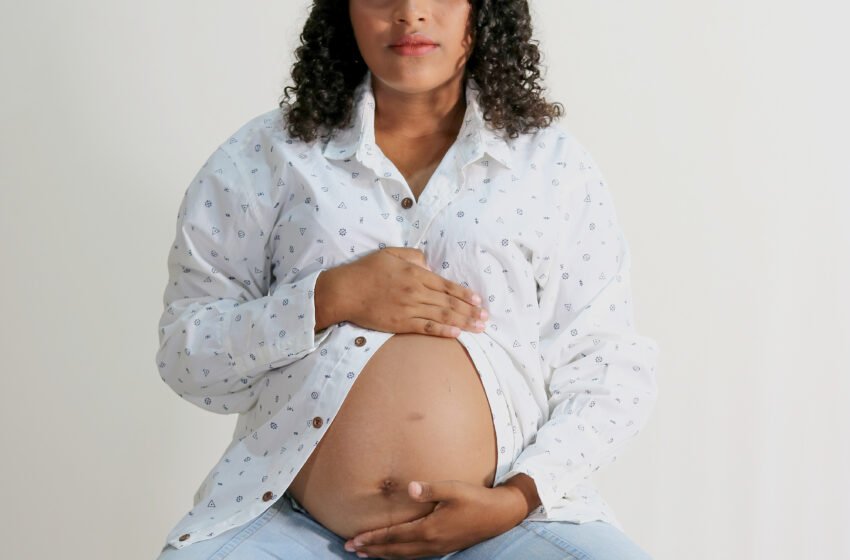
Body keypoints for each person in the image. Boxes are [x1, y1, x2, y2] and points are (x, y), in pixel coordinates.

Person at [155, 0, 660, 558]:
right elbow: (188, 357)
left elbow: (609, 372)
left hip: (511, 526)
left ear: (483, 11)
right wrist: (329, 297)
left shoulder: (554, 169)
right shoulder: (265, 158)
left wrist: (517, 499)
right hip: (291, 526)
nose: (411, 12)